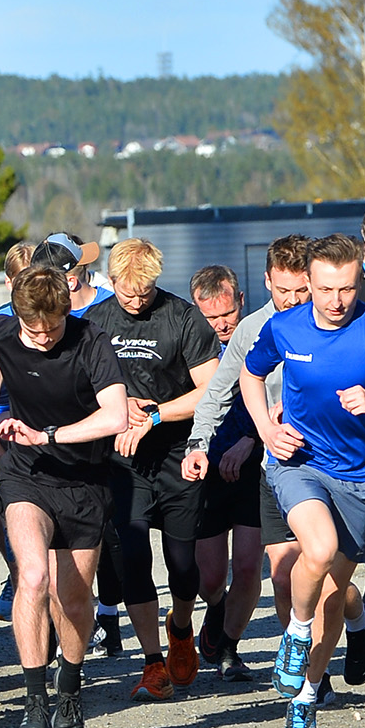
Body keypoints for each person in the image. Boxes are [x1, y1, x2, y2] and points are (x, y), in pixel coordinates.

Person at [241, 234, 365, 728]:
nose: (336, 301)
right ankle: (294, 634)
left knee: (334, 592)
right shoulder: (283, 326)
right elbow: (250, 372)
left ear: (358, 283)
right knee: (319, 549)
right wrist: (265, 428)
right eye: (326, 289)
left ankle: (306, 697)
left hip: (356, 477)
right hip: (297, 462)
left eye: (347, 289)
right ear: (308, 283)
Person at [0, 267, 128, 728]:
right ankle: (35, 699)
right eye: (31, 328)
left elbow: (116, 415)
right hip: (27, 473)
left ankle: (71, 685)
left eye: (52, 328)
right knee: (33, 577)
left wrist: (51, 435)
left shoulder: (91, 342)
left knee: (73, 598)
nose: (41, 338)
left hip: (84, 480)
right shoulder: (2, 329)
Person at [83, 238, 222, 702]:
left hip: (177, 452)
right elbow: (82, 387)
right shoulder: (96, 322)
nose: (136, 300)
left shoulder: (182, 318)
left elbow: (210, 389)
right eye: (127, 291)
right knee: (133, 557)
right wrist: (121, 406)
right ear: (112, 280)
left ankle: (180, 628)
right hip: (122, 457)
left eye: (144, 292)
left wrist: (157, 413)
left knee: (185, 568)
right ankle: (152, 662)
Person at [185, 235, 316, 682]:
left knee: (304, 571)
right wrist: (198, 443)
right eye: (284, 291)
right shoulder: (252, 331)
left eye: (302, 291)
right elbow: (217, 393)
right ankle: (302, 663)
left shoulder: (341, 323)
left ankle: (340, 636)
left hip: (325, 463)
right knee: (273, 573)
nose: (294, 301)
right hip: (265, 468)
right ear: (267, 283)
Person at [185, 265, 263, 683]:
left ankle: (231, 648)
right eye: (210, 317)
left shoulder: (259, 338)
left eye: (226, 314)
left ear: (241, 301)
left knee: (249, 567)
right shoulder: (194, 349)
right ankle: (216, 610)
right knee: (211, 578)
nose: (221, 324)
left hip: (255, 465)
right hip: (208, 470)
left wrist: (251, 438)